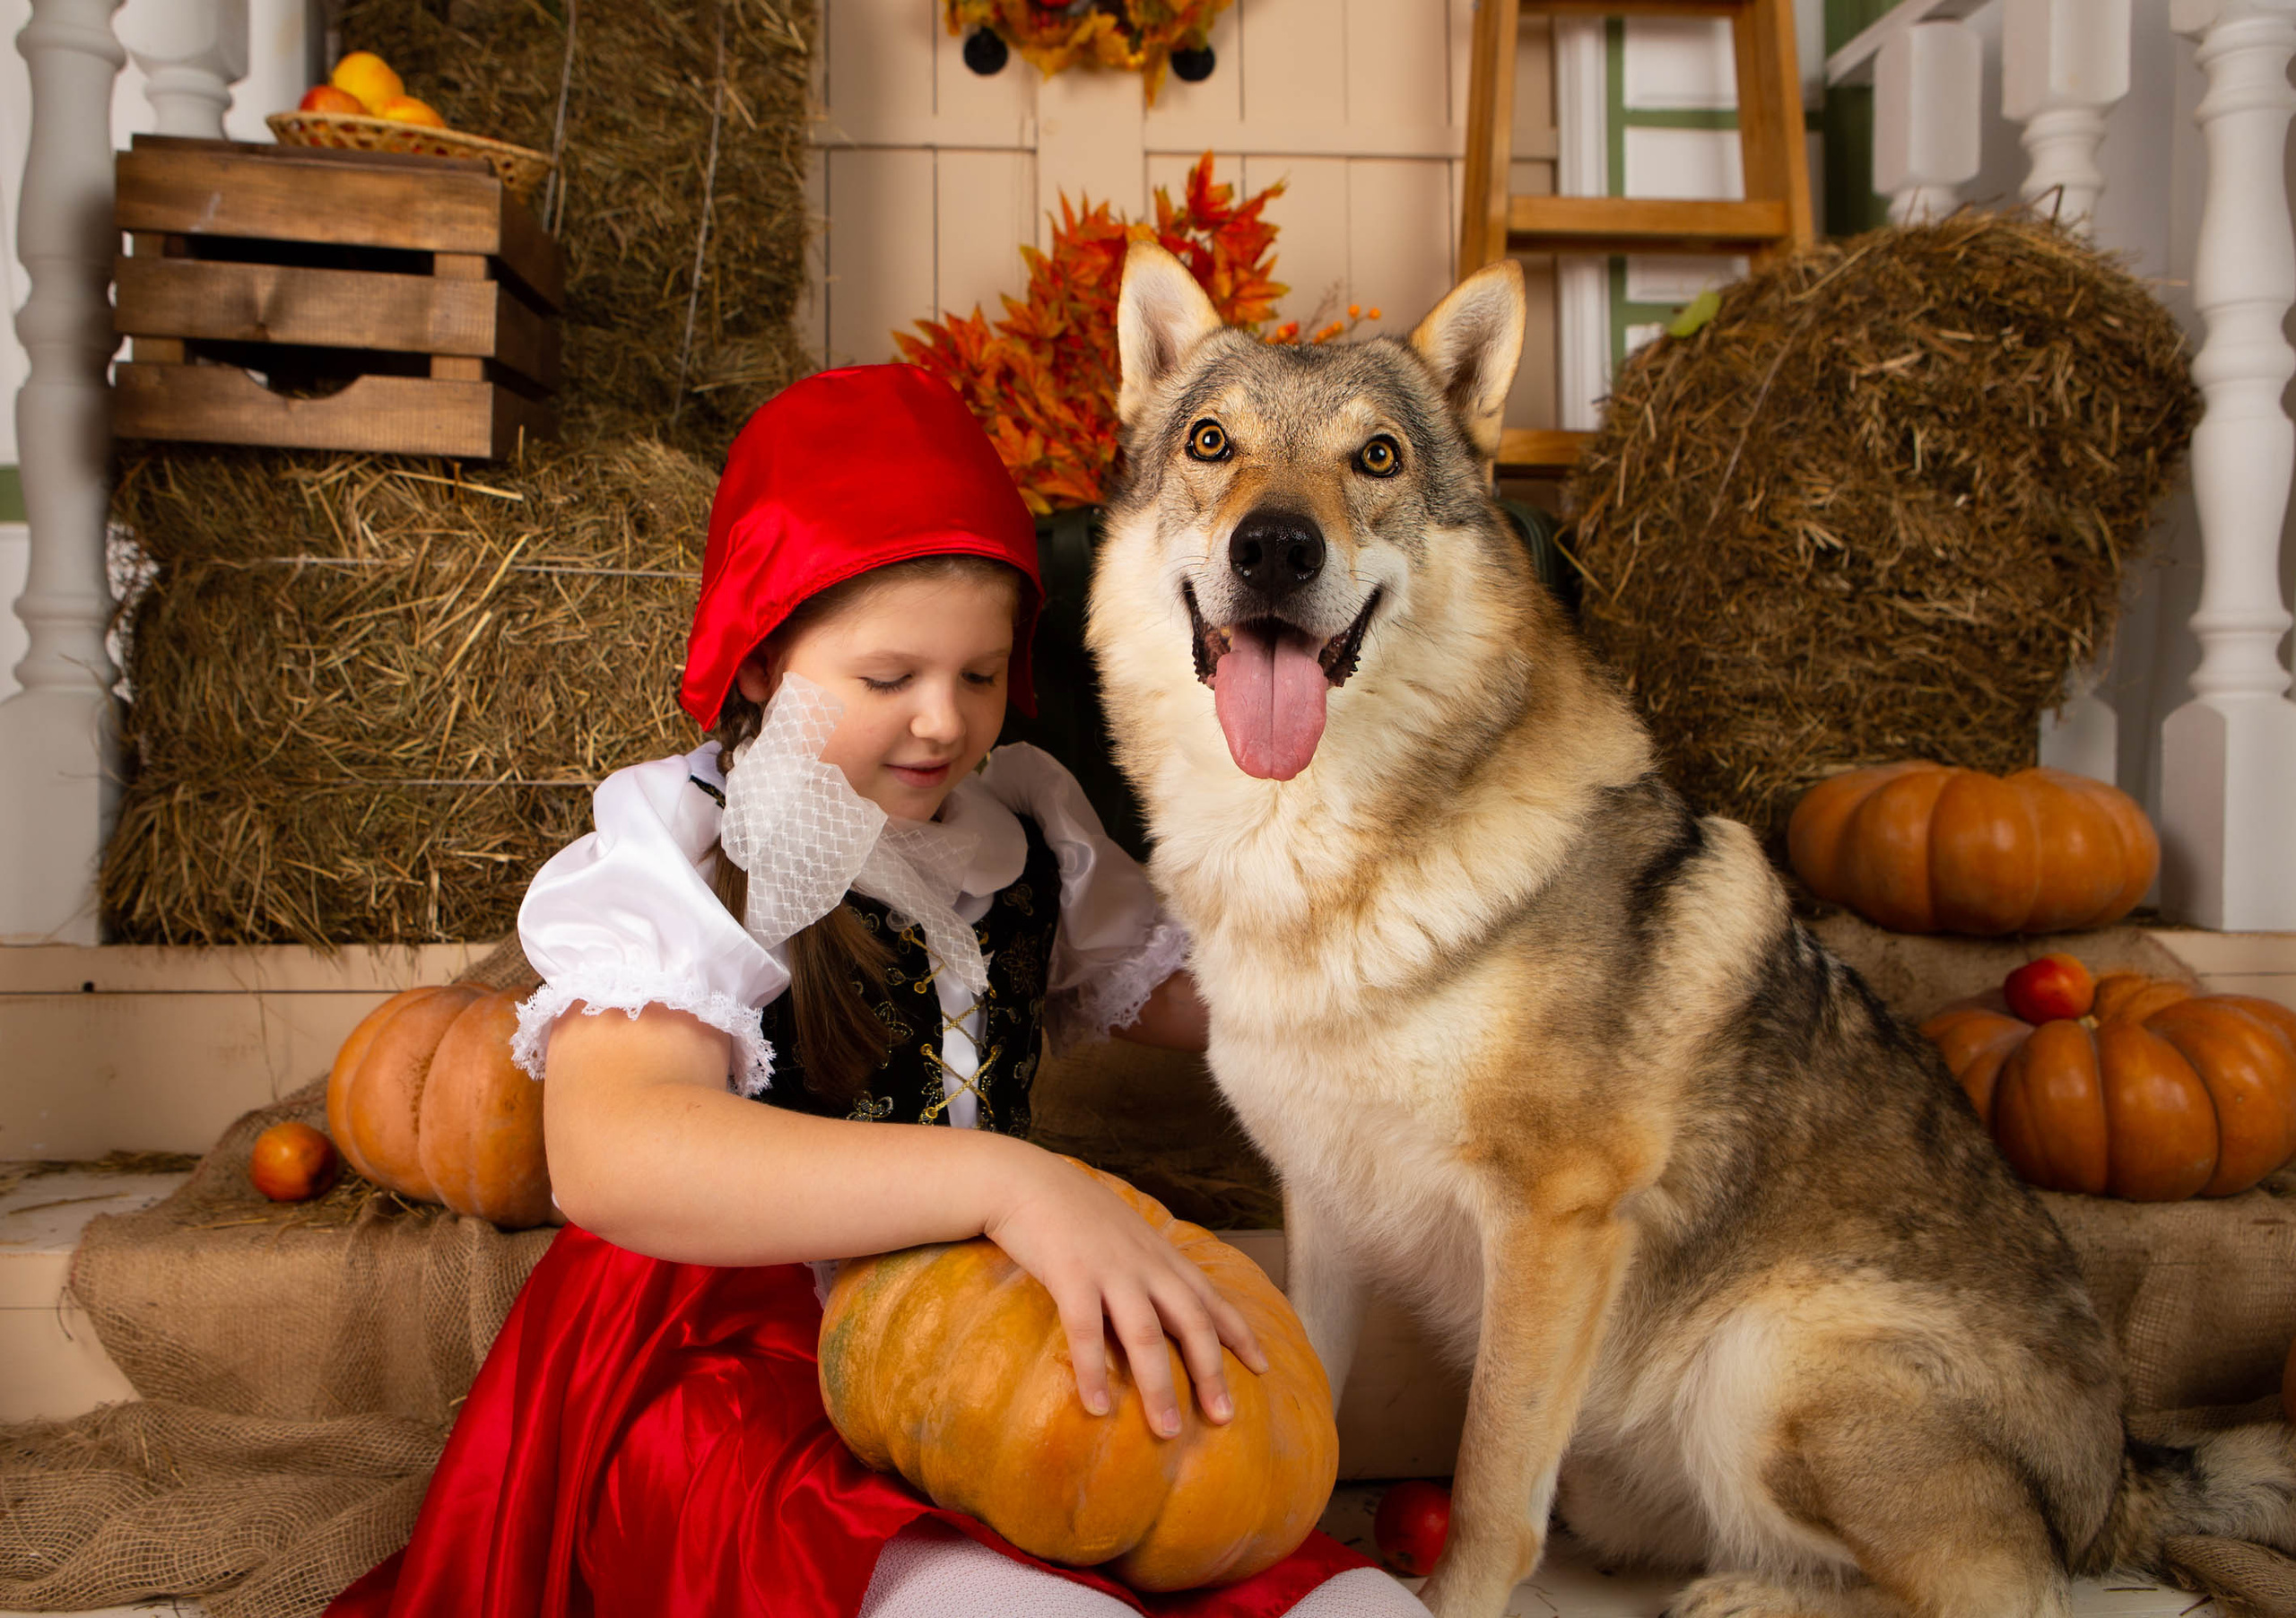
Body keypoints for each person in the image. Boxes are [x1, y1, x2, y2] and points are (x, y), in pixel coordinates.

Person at [329, 365, 1430, 1618]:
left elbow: (1231, 1000)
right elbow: (610, 1156)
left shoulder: (1021, 823)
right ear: (761, 666)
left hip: (981, 1314)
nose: (941, 723)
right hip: (737, 1347)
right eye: (887, 677)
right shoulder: (680, 845)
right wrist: (1012, 1181)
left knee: (1357, 1610)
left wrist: (1408, 963)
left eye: (978, 674)